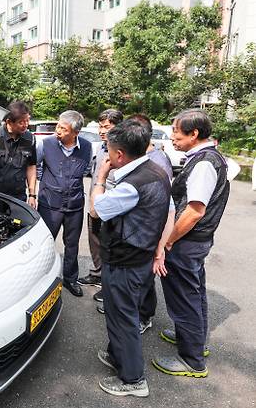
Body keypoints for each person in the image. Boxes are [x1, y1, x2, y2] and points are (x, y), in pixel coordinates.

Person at [90, 120, 173, 397]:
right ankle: (118, 356)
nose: (107, 157)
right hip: (141, 255)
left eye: (109, 152)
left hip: (126, 259)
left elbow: (98, 209)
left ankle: (133, 379)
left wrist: (100, 177)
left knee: (122, 317)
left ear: (120, 155)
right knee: (122, 312)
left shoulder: (132, 185)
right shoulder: (157, 171)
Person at [152, 109, 230, 378]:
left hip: (186, 243)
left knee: (184, 297)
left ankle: (192, 359)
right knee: (194, 293)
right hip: (195, 242)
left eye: (176, 131)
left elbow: (195, 210)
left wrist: (169, 241)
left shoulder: (205, 163)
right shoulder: (207, 158)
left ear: (193, 134)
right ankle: (195, 340)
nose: (172, 137)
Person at [36, 110, 92, 297]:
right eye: (58, 126)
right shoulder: (46, 144)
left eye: (63, 128)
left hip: (75, 205)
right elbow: (37, 167)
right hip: (49, 204)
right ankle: (40, 278)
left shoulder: (86, 146)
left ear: (75, 133)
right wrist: (49, 186)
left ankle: (70, 279)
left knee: (72, 244)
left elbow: (85, 171)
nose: (58, 130)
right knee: (45, 243)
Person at [80, 109, 123, 299]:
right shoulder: (101, 148)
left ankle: (109, 286)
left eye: (107, 126)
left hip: (110, 210)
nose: (102, 130)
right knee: (95, 242)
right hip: (94, 205)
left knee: (110, 248)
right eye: (100, 126)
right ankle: (98, 274)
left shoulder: (121, 152)